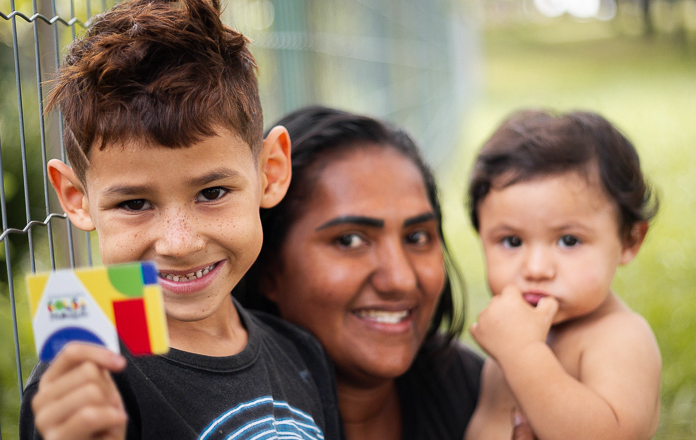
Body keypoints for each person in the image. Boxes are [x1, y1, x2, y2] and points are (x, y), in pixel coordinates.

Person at [18, 1, 343, 439]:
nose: (179, 243)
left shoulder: (302, 356)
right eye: (135, 204)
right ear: (77, 199)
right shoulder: (88, 382)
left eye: (212, 193)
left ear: (271, 172)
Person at [236, 106, 485, 440]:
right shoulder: (200, 411)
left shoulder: (475, 391)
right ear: (266, 267)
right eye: (350, 240)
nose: (400, 279)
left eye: (416, 237)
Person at [464, 109, 661, 440]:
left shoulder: (619, 337)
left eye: (569, 241)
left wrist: (523, 353)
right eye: (511, 241)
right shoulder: (512, 339)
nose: (536, 269)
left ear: (629, 240)